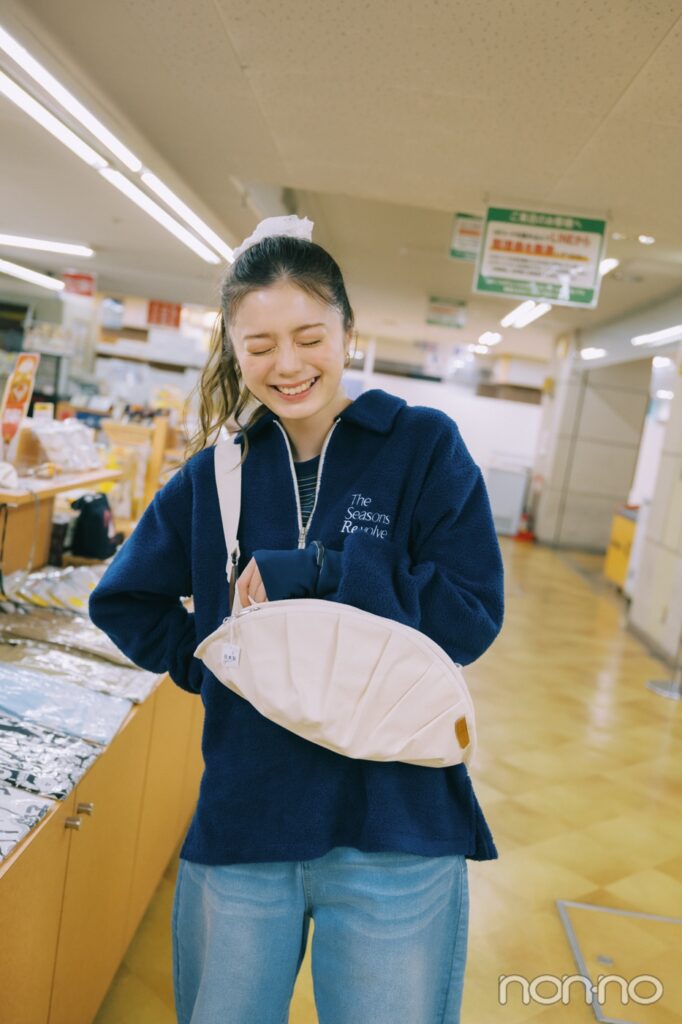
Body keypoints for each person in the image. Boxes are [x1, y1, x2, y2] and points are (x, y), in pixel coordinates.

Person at [88, 216, 505, 1024]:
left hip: (398, 828)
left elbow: (469, 615)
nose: (287, 365)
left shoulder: (421, 448)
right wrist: (217, 667)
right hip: (247, 821)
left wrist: (321, 573)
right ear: (234, 352)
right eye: (259, 345)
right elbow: (123, 599)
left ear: (350, 332)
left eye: (309, 336)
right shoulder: (215, 476)